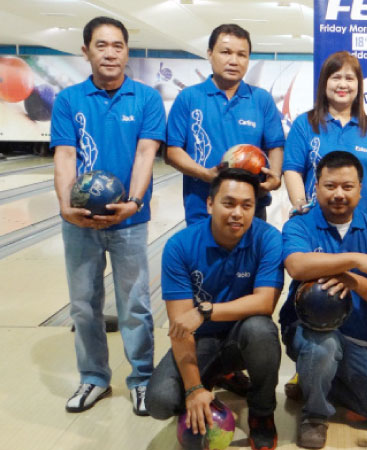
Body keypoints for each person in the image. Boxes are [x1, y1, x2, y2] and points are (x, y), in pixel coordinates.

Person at [51, 16, 165, 416]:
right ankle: (94, 378)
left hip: (130, 221)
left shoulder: (147, 99)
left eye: (118, 45)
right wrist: (67, 206)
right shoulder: (69, 100)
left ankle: (141, 379)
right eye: (102, 45)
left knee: (135, 304)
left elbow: (146, 154)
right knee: (83, 304)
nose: (111, 53)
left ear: (126, 51)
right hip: (80, 222)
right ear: (86, 51)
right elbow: (65, 155)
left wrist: (133, 202)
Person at [145, 169, 283, 450]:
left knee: (261, 328)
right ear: (210, 204)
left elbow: (264, 302)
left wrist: (205, 312)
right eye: (228, 203)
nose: (237, 213)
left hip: (241, 337)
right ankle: (211, 384)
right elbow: (180, 327)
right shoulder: (180, 246)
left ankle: (261, 413)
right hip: (200, 341)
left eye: (247, 205)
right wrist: (194, 389)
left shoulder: (268, 238)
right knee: (160, 402)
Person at [279, 151, 367, 449]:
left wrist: (352, 280)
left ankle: (315, 382)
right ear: (316, 187)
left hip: (357, 334)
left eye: (347, 187)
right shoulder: (300, 224)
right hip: (306, 330)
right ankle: (314, 416)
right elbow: (296, 265)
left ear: (362, 189)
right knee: (323, 346)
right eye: (330, 186)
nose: (338, 194)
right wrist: (355, 260)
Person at [166, 23, 285, 224]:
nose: (234, 61)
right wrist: (206, 174)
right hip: (202, 206)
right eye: (226, 52)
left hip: (251, 206)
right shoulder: (188, 97)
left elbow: (275, 145)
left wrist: (274, 176)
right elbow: (172, 151)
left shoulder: (261, 99)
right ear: (210, 53)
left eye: (242, 55)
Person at [283, 51, 367, 219]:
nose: (343, 85)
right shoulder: (304, 124)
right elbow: (293, 169)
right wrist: (300, 203)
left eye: (349, 79)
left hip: (361, 225)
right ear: (324, 83)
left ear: (358, 85)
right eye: (336, 78)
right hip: (314, 221)